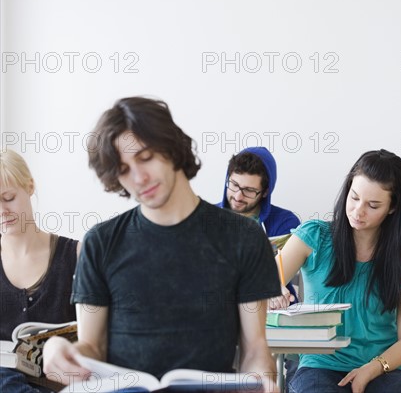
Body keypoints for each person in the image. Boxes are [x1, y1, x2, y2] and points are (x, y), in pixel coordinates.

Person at [42, 97, 281, 392]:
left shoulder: (244, 237)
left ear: (171, 147)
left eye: (145, 158)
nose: (139, 178)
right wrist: (59, 350)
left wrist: (263, 378)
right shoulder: (100, 243)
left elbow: (254, 347)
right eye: (124, 170)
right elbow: (93, 346)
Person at [271, 149, 401, 393]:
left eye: (373, 205)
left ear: (393, 207)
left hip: (385, 368)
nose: (358, 211)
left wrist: (372, 368)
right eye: (354, 198)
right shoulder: (315, 236)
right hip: (320, 365)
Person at [0, 149, 80, 393]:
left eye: (9, 197)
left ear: (30, 186)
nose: (2, 210)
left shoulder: (76, 254)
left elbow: (99, 339)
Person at [217, 147, 301, 301]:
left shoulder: (284, 222)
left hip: (275, 315)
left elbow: (283, 278)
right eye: (234, 184)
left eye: (249, 190)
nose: (238, 196)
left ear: (265, 192)